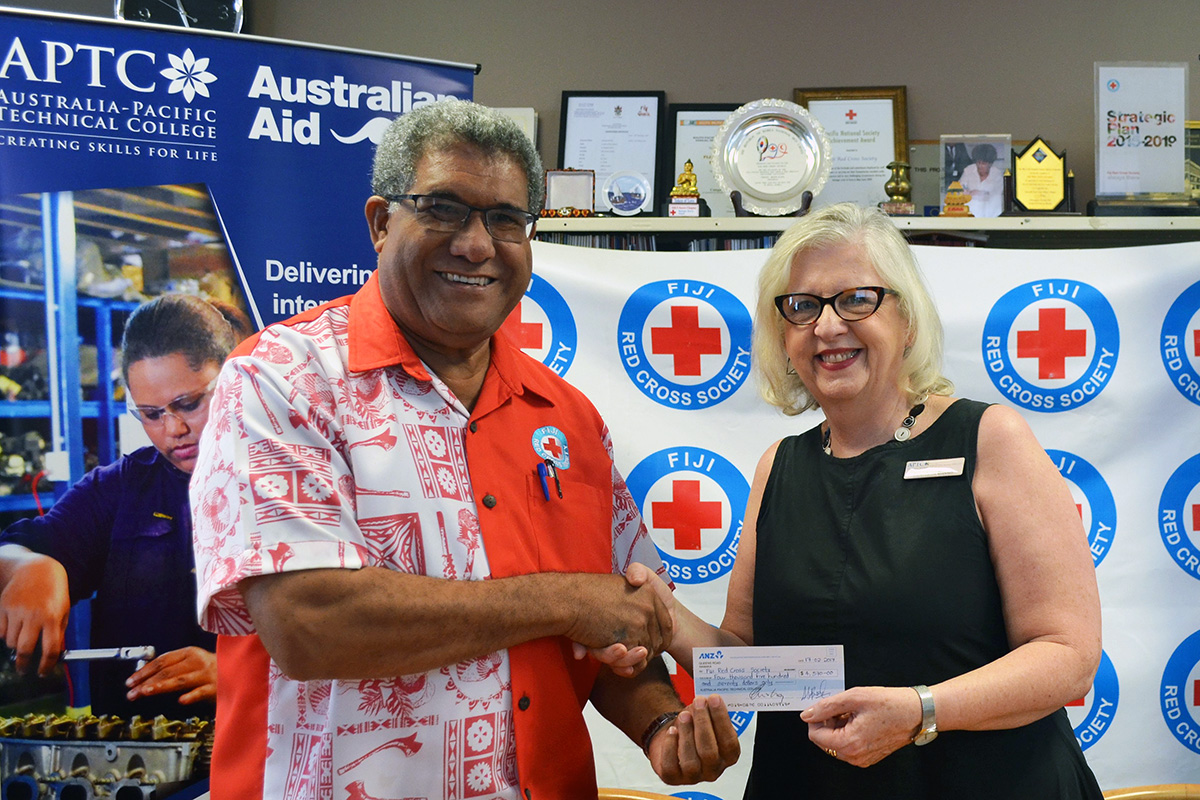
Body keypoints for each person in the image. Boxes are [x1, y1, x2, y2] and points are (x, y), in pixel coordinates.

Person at [189, 99, 739, 800]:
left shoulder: (568, 421)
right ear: (381, 223)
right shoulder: (280, 380)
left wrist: (663, 728)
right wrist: (565, 600)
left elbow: (614, 632)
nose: (477, 244)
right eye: (443, 208)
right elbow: (307, 625)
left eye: (507, 219)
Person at [602, 203, 1104, 798]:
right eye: (803, 306)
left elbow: (1066, 653)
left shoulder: (990, 440)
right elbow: (752, 668)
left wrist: (920, 710)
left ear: (907, 319)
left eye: (856, 300)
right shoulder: (779, 467)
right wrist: (663, 618)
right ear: (783, 334)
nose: (828, 327)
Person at [0, 294, 240, 719]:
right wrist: (28, 566)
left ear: (235, 377)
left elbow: (344, 634)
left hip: (266, 756)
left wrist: (241, 676)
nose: (174, 429)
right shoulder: (121, 489)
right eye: (150, 414)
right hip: (146, 767)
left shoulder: (292, 480)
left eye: (189, 404)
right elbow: (17, 549)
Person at [959, 142, 1004, 217]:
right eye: (978, 162)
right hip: (969, 215)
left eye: (983, 163)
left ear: (990, 164)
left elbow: (996, 195)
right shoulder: (968, 170)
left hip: (990, 215)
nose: (979, 166)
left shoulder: (997, 174)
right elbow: (960, 188)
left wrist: (977, 193)